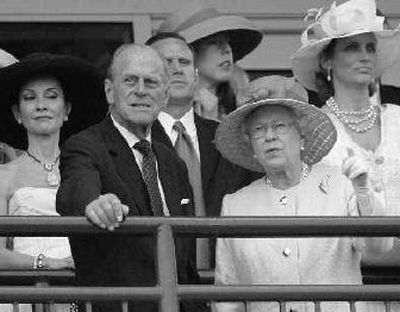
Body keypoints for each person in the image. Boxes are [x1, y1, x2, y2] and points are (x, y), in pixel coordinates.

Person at [212, 75, 391, 312]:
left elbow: (378, 246)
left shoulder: (341, 184)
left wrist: (364, 194)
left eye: (279, 126)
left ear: (302, 136)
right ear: (251, 147)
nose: (269, 136)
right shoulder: (236, 205)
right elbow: (227, 292)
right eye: (258, 129)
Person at [56, 44, 207, 312]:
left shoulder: (172, 161)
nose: (141, 90)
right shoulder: (86, 145)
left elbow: (184, 261)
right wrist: (95, 204)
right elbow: (76, 186)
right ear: (109, 91)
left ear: (164, 94)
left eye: (151, 82)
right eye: (130, 80)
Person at [291, 0, 400, 274]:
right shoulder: (312, 129)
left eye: (370, 47)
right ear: (327, 60)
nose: (364, 55)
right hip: (349, 280)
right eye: (352, 47)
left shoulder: (397, 118)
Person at [0, 52, 106, 312]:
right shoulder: (3, 176)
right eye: (29, 98)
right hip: (25, 297)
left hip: (86, 293)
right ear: (17, 113)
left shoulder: (92, 169)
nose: (41, 105)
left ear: (67, 109)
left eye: (51, 96)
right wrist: (46, 263)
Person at [146, 32, 260, 271]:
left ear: (196, 74)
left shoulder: (230, 138)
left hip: (224, 286)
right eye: (166, 62)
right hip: (158, 285)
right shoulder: (130, 139)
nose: (177, 69)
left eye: (184, 62)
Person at [158, 0, 262, 120]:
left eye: (227, 42)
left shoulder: (243, 109)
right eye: (214, 42)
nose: (227, 49)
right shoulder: (163, 117)